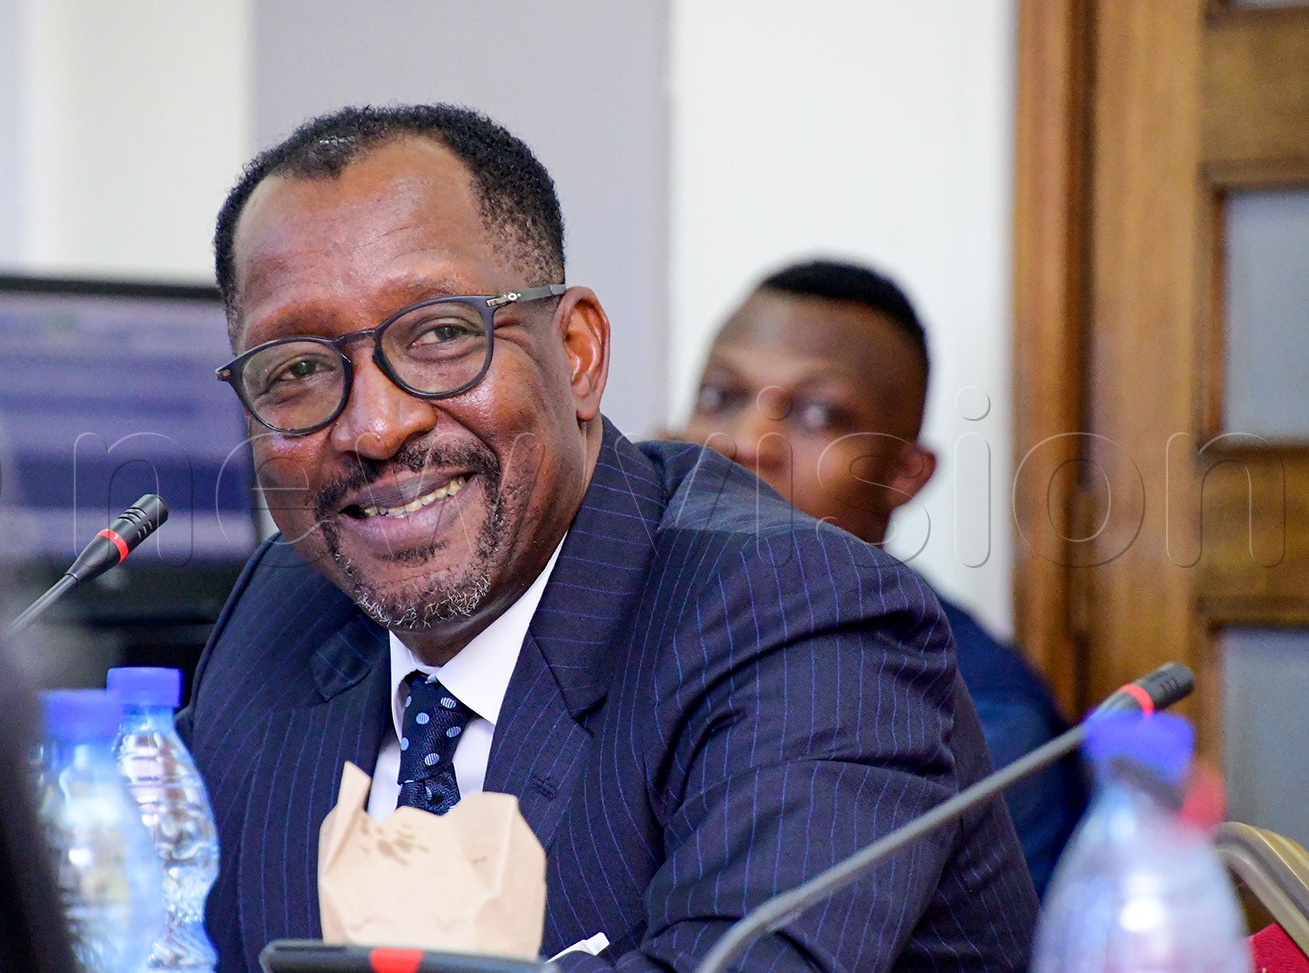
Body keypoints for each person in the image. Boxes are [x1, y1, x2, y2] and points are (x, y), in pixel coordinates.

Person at [180, 104, 1036, 973]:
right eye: (296, 368)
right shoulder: (285, 609)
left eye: (439, 334)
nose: (374, 425)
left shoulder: (800, 618)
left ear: (577, 352)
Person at [679, 259, 1087, 896]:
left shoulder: (983, 721)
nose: (747, 442)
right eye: (720, 397)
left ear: (903, 474)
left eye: (818, 414)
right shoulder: (629, 631)